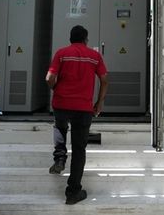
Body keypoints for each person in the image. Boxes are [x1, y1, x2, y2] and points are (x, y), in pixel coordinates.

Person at [46, 25, 109, 205]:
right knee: (79, 149)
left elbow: (49, 78)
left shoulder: (62, 53)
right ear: (85, 39)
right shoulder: (95, 56)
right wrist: (99, 102)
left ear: (70, 38)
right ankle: (73, 192)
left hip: (61, 103)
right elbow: (105, 80)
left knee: (59, 127)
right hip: (83, 107)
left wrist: (56, 89)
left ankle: (59, 158)